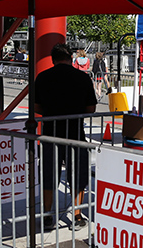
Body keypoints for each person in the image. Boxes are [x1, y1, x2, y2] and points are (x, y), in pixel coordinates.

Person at [34, 44, 97, 231]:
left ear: (53, 59)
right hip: (75, 133)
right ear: (70, 57)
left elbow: (36, 107)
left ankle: (47, 216)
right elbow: (91, 108)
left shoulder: (43, 77)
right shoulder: (82, 77)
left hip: (50, 133)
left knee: (48, 173)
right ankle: (77, 216)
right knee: (77, 174)